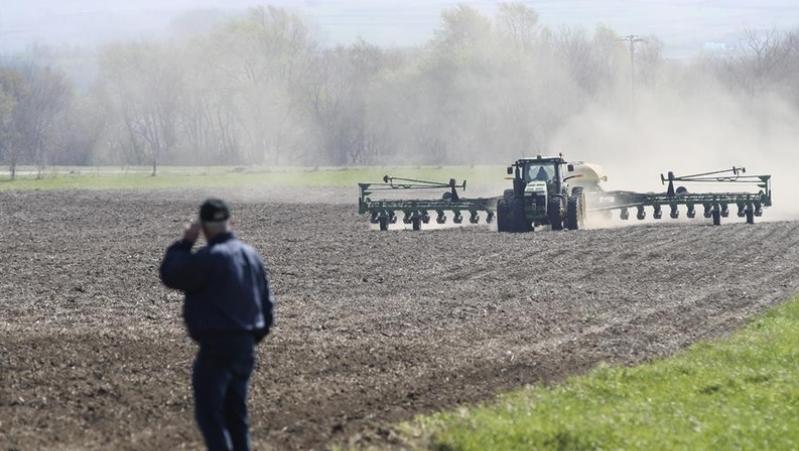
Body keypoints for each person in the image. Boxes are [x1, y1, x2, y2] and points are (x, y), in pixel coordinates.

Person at [160, 198, 274, 451]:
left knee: (210, 414)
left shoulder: (208, 258)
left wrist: (185, 243)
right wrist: (251, 338)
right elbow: (266, 306)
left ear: (203, 228)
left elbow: (171, 274)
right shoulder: (251, 255)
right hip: (245, 346)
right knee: (236, 416)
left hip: (217, 346)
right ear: (231, 222)